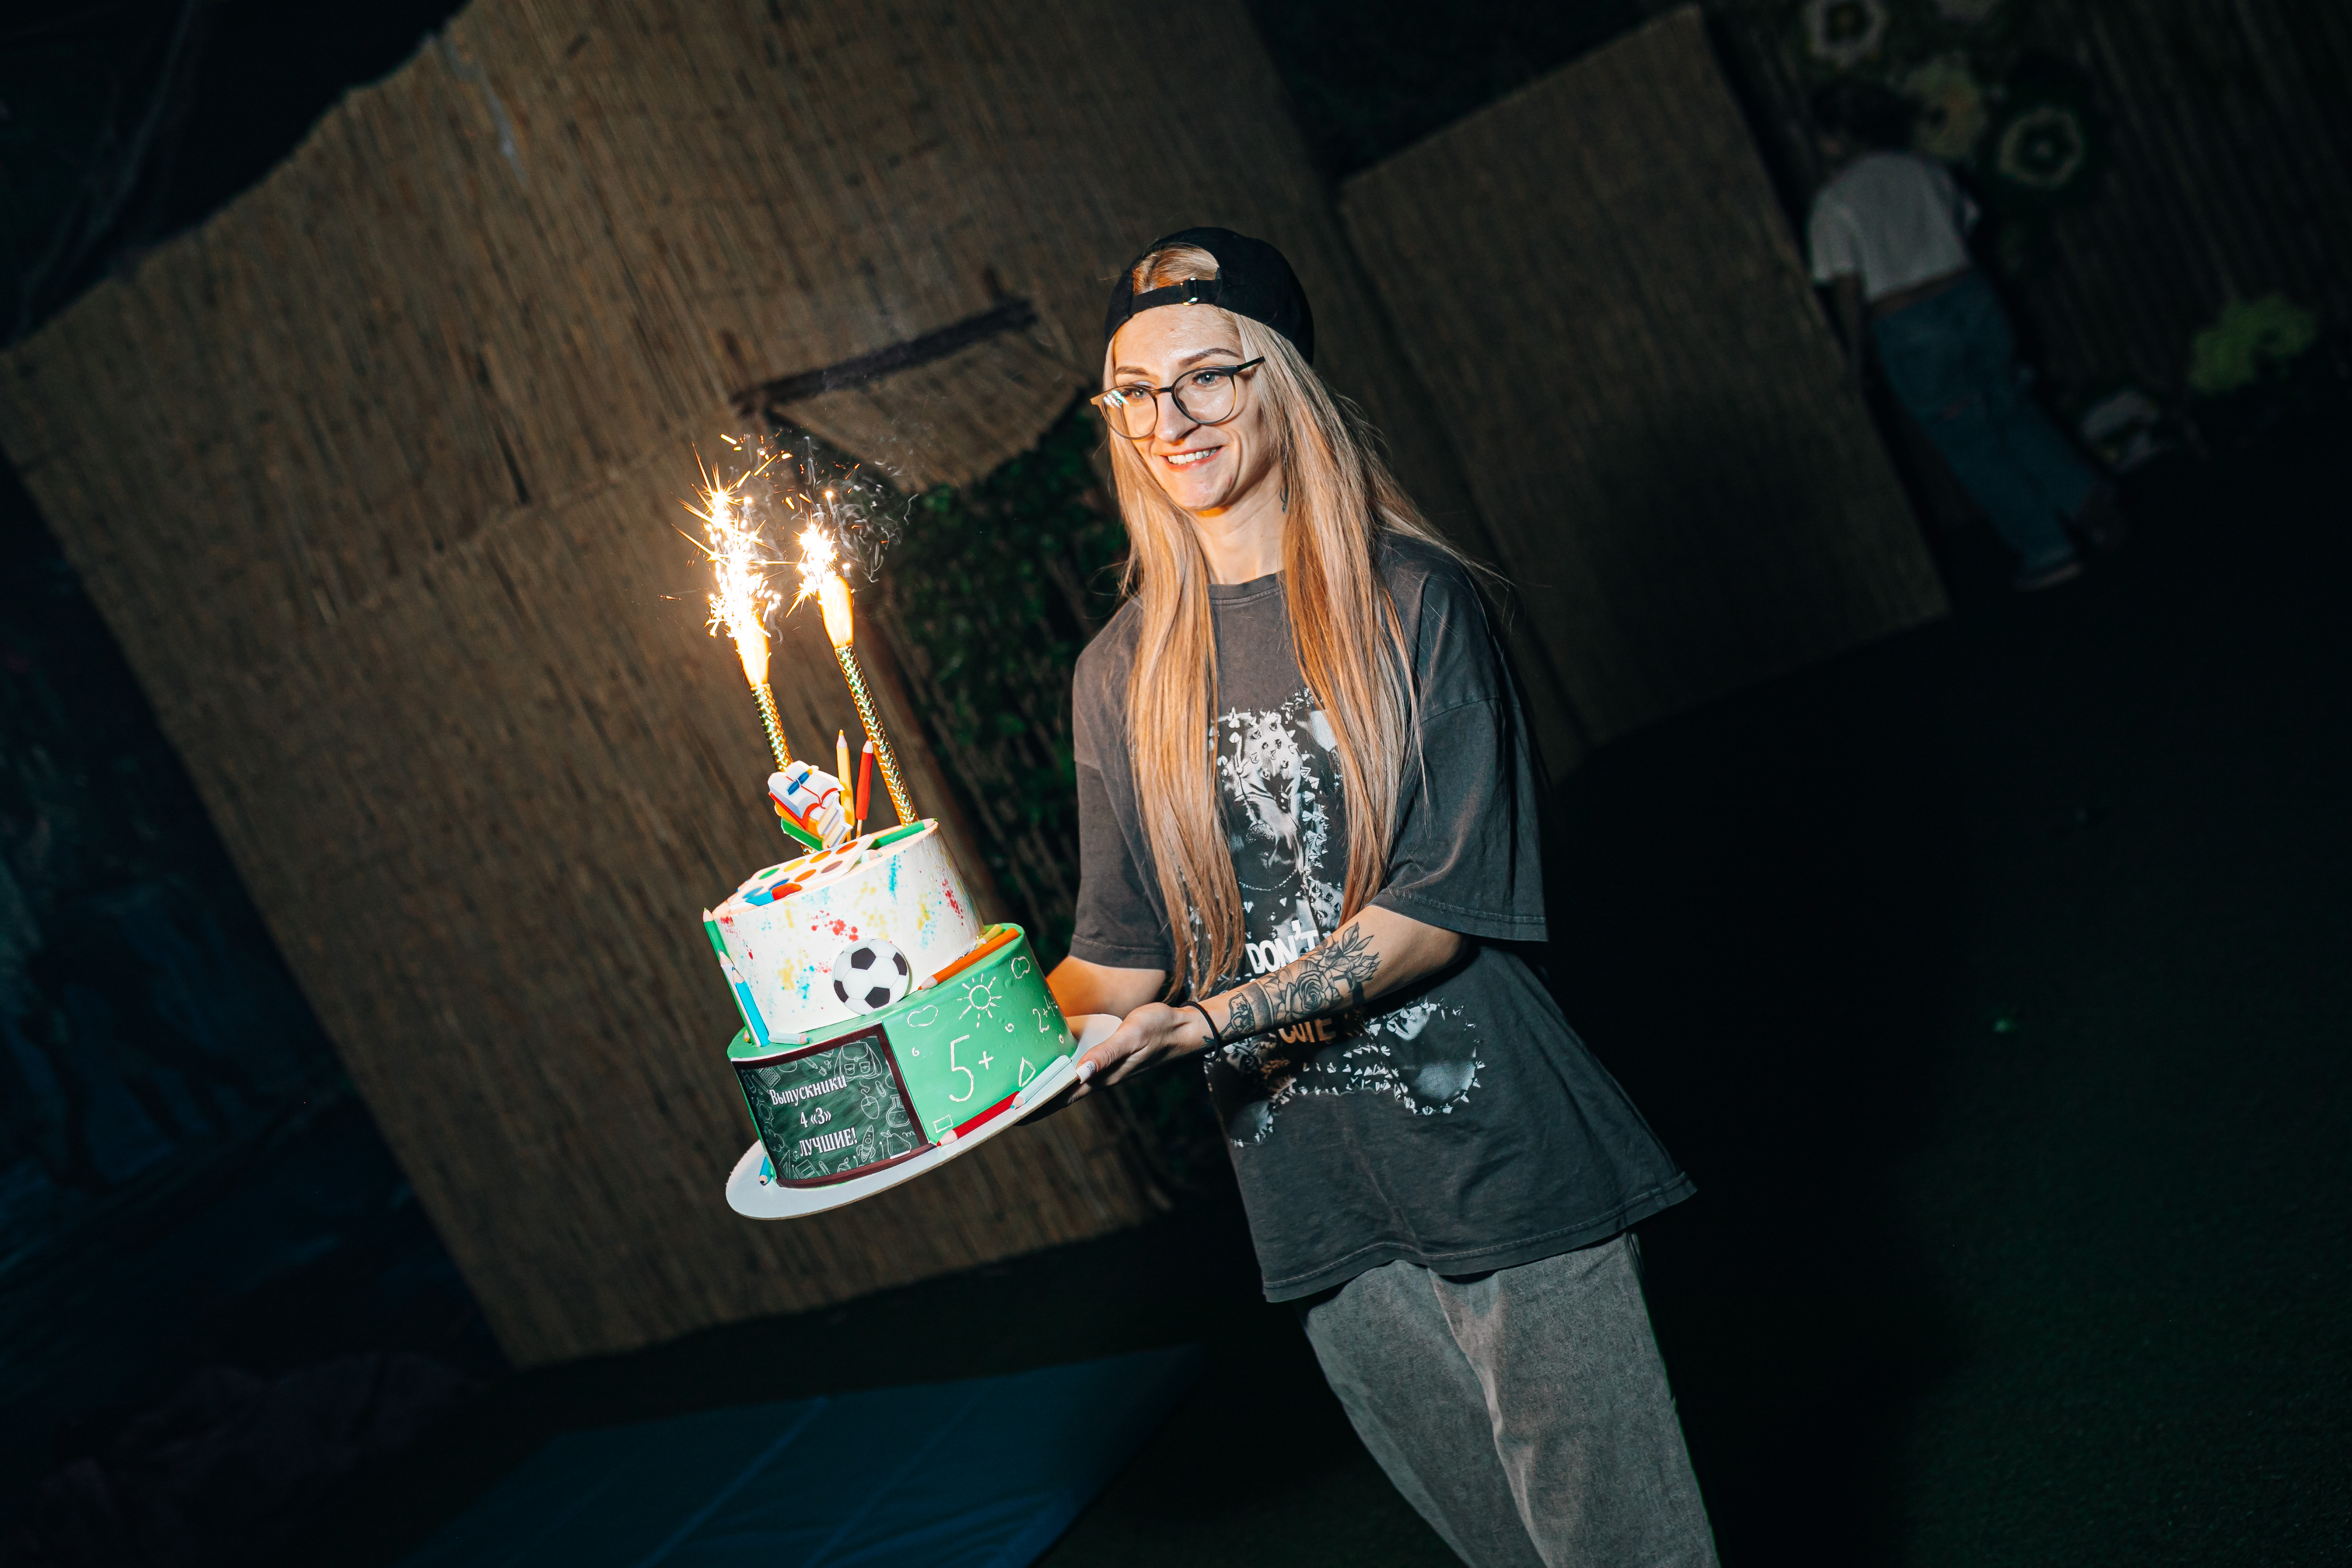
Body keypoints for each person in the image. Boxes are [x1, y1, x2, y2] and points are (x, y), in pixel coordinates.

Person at [1044, 227, 1718, 1568]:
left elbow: (1434, 915)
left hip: (1505, 1162)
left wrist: (1210, 1024)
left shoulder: (1414, 600)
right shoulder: (1118, 672)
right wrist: (949, 1052)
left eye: (1208, 376)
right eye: (1135, 391)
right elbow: (1116, 956)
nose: (1170, 421)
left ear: (1282, 380)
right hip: (1314, 1205)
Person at [1807, 80, 2123, 591]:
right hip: (1972, 299)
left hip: (1909, 324)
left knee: (1973, 445)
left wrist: (1854, 355)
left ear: (1836, 137)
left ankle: (2047, 548)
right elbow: (1965, 227)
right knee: (2013, 410)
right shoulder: (1928, 170)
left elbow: (1849, 287)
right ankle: (2087, 499)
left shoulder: (1834, 202)